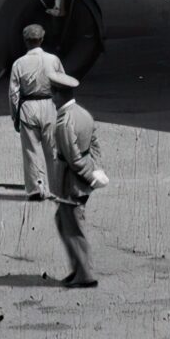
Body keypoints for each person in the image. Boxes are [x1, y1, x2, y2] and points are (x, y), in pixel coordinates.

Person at [48, 73, 106, 287]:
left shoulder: (64, 122)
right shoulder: (84, 114)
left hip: (70, 182)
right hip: (81, 179)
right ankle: (78, 269)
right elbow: (95, 145)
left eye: (53, 94)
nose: (52, 99)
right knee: (64, 222)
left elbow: (72, 159)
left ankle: (85, 275)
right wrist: (95, 168)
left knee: (72, 226)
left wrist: (89, 177)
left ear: (59, 95)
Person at [5, 23, 68, 201]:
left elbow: (13, 93)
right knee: (53, 150)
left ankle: (35, 188)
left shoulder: (19, 64)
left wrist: (15, 116)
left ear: (25, 41)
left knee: (31, 149)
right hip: (49, 106)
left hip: (28, 107)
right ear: (41, 39)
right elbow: (63, 85)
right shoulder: (53, 60)